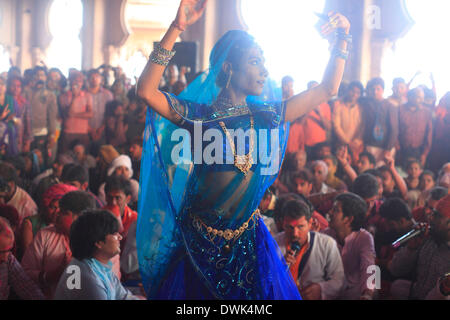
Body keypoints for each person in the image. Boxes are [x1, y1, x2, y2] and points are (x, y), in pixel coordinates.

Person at [136, 0, 350, 299]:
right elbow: (146, 91)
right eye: (254, 62)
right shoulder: (199, 116)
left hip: (247, 241)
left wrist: (342, 38)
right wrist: (177, 27)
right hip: (200, 244)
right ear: (229, 68)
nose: (264, 70)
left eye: (264, 62)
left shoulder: (264, 116)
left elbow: (328, 88)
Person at [21, 191, 96, 298]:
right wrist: (48, 276)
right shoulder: (45, 235)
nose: (57, 214)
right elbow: (24, 272)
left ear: (80, 217)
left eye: (64, 212)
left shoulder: (99, 243)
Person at [54, 210, 141, 300]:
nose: (120, 237)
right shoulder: (87, 278)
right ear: (98, 242)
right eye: (114, 234)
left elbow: (123, 296)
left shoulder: (99, 266)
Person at [274, 198, 345, 299]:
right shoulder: (273, 244)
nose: (295, 234)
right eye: (290, 227)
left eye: (300, 226)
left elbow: (340, 280)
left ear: (310, 223)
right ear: (283, 224)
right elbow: (262, 281)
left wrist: (321, 289)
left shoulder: (326, 244)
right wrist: (279, 267)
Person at [388, 194, 450, 299]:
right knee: (397, 286)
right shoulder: (426, 239)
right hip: (416, 294)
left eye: (437, 215)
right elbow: (395, 270)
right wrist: (411, 249)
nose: (430, 218)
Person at [325, 192, 377, 300]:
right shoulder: (326, 235)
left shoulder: (364, 238)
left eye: (335, 210)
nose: (329, 212)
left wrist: (367, 294)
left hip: (355, 292)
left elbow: (369, 268)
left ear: (348, 219)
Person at [0, 217, 45, 300]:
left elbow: (27, 287)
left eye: (9, 249)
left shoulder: (9, 259)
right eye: (1, 252)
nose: (5, 258)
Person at [360, 77, 398, 167]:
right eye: (373, 89)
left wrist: (388, 149)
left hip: (385, 146)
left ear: (383, 90)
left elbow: (394, 129)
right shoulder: (366, 103)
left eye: (378, 89)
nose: (375, 92)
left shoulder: (390, 106)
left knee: (382, 171)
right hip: (370, 145)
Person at [58, 71, 93, 154]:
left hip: (82, 132)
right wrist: (74, 97)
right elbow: (67, 113)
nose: (77, 83)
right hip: (68, 132)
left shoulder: (87, 96)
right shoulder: (63, 96)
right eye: (75, 80)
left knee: (82, 156)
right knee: (66, 156)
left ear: (82, 83)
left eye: (79, 81)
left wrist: (75, 115)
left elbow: (90, 114)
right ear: (70, 81)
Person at [397, 88, 433, 167]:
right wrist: (397, 147)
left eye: (422, 98)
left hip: (419, 151)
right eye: (418, 97)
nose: (421, 100)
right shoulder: (399, 110)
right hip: (401, 150)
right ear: (410, 97)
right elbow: (395, 130)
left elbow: (429, 134)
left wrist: (424, 154)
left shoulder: (426, 112)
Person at [332, 81, 365, 162]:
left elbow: (362, 127)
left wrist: (356, 142)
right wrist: (348, 142)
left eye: (358, 93)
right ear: (348, 91)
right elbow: (336, 126)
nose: (354, 94)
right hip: (340, 144)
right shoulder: (338, 106)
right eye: (353, 91)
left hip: (356, 146)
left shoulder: (361, 108)